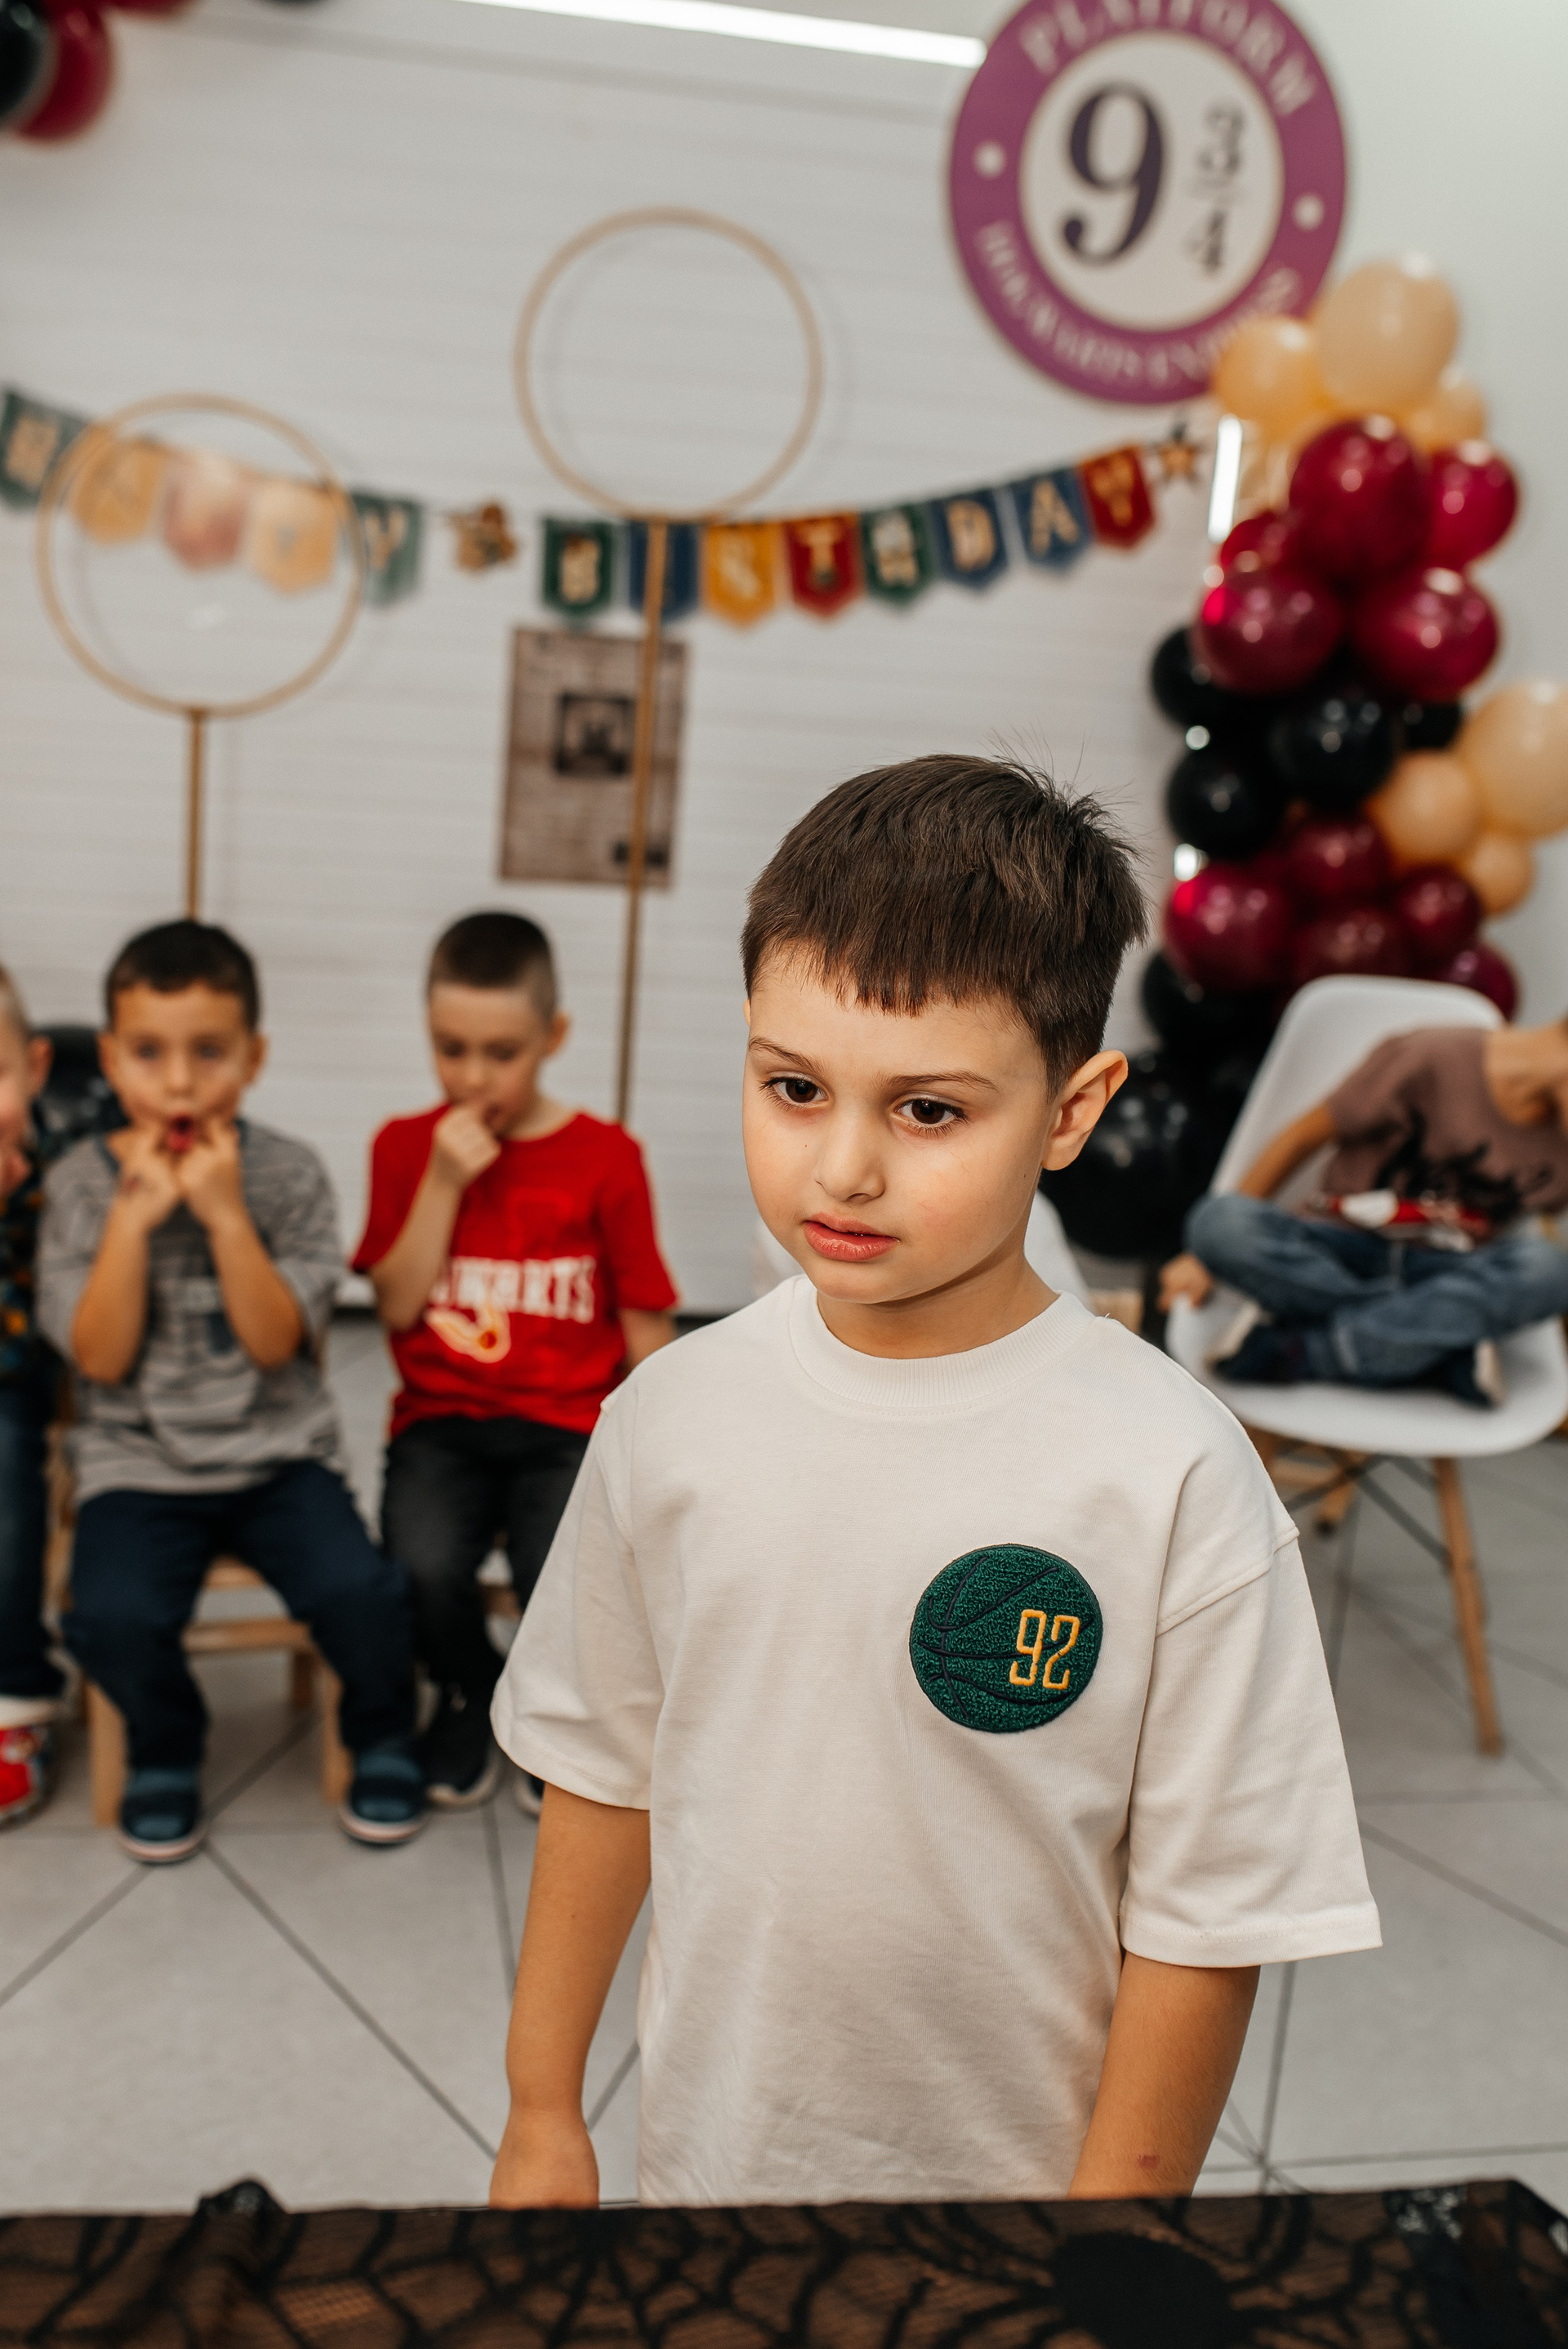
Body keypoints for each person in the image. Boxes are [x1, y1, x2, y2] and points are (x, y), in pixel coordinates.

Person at [487, 756, 1379, 2212]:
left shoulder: (1173, 1474)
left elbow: (1205, 1921)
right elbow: (601, 1774)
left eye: (929, 1112)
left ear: (1072, 1111)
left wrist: (1111, 2236)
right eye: (793, 1088)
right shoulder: (669, 1422)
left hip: (1026, 2212)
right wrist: (542, 2109)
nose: (841, 1168)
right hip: (709, 2172)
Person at [38, 920, 422, 1863]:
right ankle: (166, 1745)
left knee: (366, 1593)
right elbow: (98, 1359)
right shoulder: (80, 1185)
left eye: (208, 1052)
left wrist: (222, 1215)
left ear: (254, 1056)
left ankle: (380, 1733)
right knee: (109, 1615)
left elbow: (276, 1340)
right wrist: (132, 1224)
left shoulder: (287, 1173)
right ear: (110, 1058)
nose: (179, 1082)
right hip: (138, 1464)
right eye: (148, 1052)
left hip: (278, 1454)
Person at [354, 912, 677, 1812]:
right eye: (449, 1048)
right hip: (441, 1421)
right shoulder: (403, 1147)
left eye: (502, 1053)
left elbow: (645, 1323)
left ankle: (546, 1713)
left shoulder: (607, 1157)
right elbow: (396, 1305)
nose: (472, 1076)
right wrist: (443, 1183)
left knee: (562, 1571)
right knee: (420, 1562)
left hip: (566, 1423)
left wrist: (655, 1455)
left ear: (553, 1036)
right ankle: (469, 1690)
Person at [1160, 1018, 1568, 1398]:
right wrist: (1200, 1259)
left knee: (1549, 1270)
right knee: (1219, 1223)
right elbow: (1302, 1137)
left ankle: (1305, 1351)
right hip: (1334, 1247)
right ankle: (1425, 1351)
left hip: (1446, 1272)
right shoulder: (1434, 1056)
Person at [0, 967, 61, 1828]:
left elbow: (44, 1329)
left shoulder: (63, 1165)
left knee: (7, 1456)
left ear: (36, 1067)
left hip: (16, 1377)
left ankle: (13, 1692)